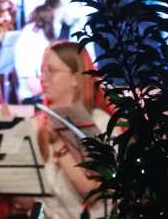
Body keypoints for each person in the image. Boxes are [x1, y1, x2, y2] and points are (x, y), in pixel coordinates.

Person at [33, 41, 111, 219]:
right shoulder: (39, 123)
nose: (43, 78)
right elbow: (29, 202)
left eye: (51, 71)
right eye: (42, 71)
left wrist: (58, 145)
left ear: (75, 78)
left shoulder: (101, 123)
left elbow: (92, 193)